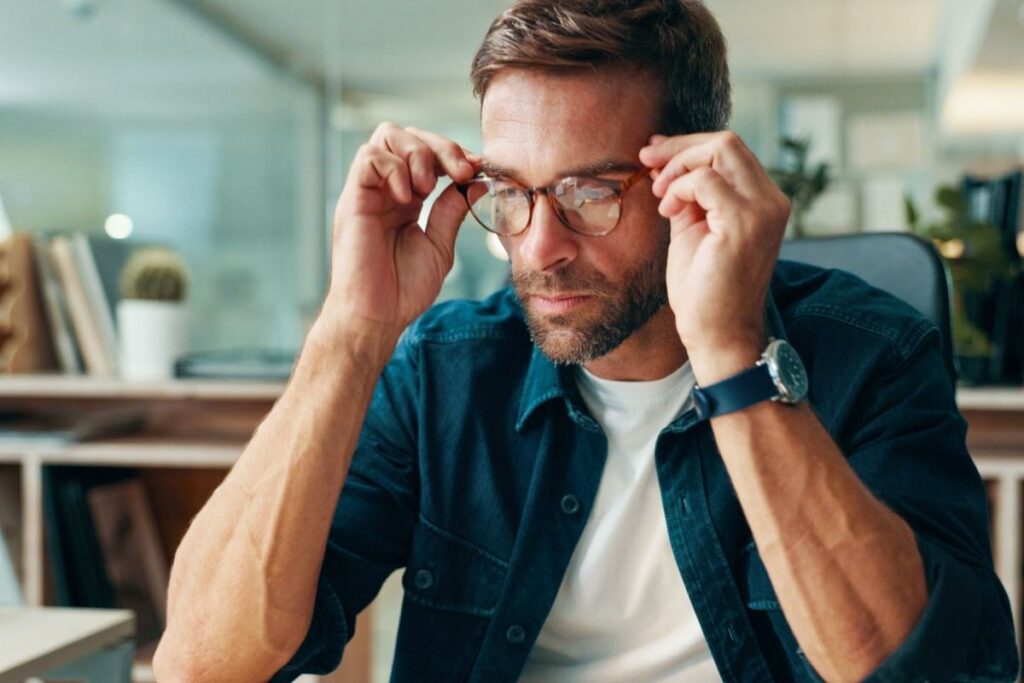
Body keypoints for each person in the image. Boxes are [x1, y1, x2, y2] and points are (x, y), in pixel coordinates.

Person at [153, 1, 1019, 681]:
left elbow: (918, 668)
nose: (539, 246)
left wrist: (729, 354)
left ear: (692, 178)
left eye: (590, 192)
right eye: (513, 193)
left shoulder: (874, 354)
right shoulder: (446, 371)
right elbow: (205, 664)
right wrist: (353, 329)